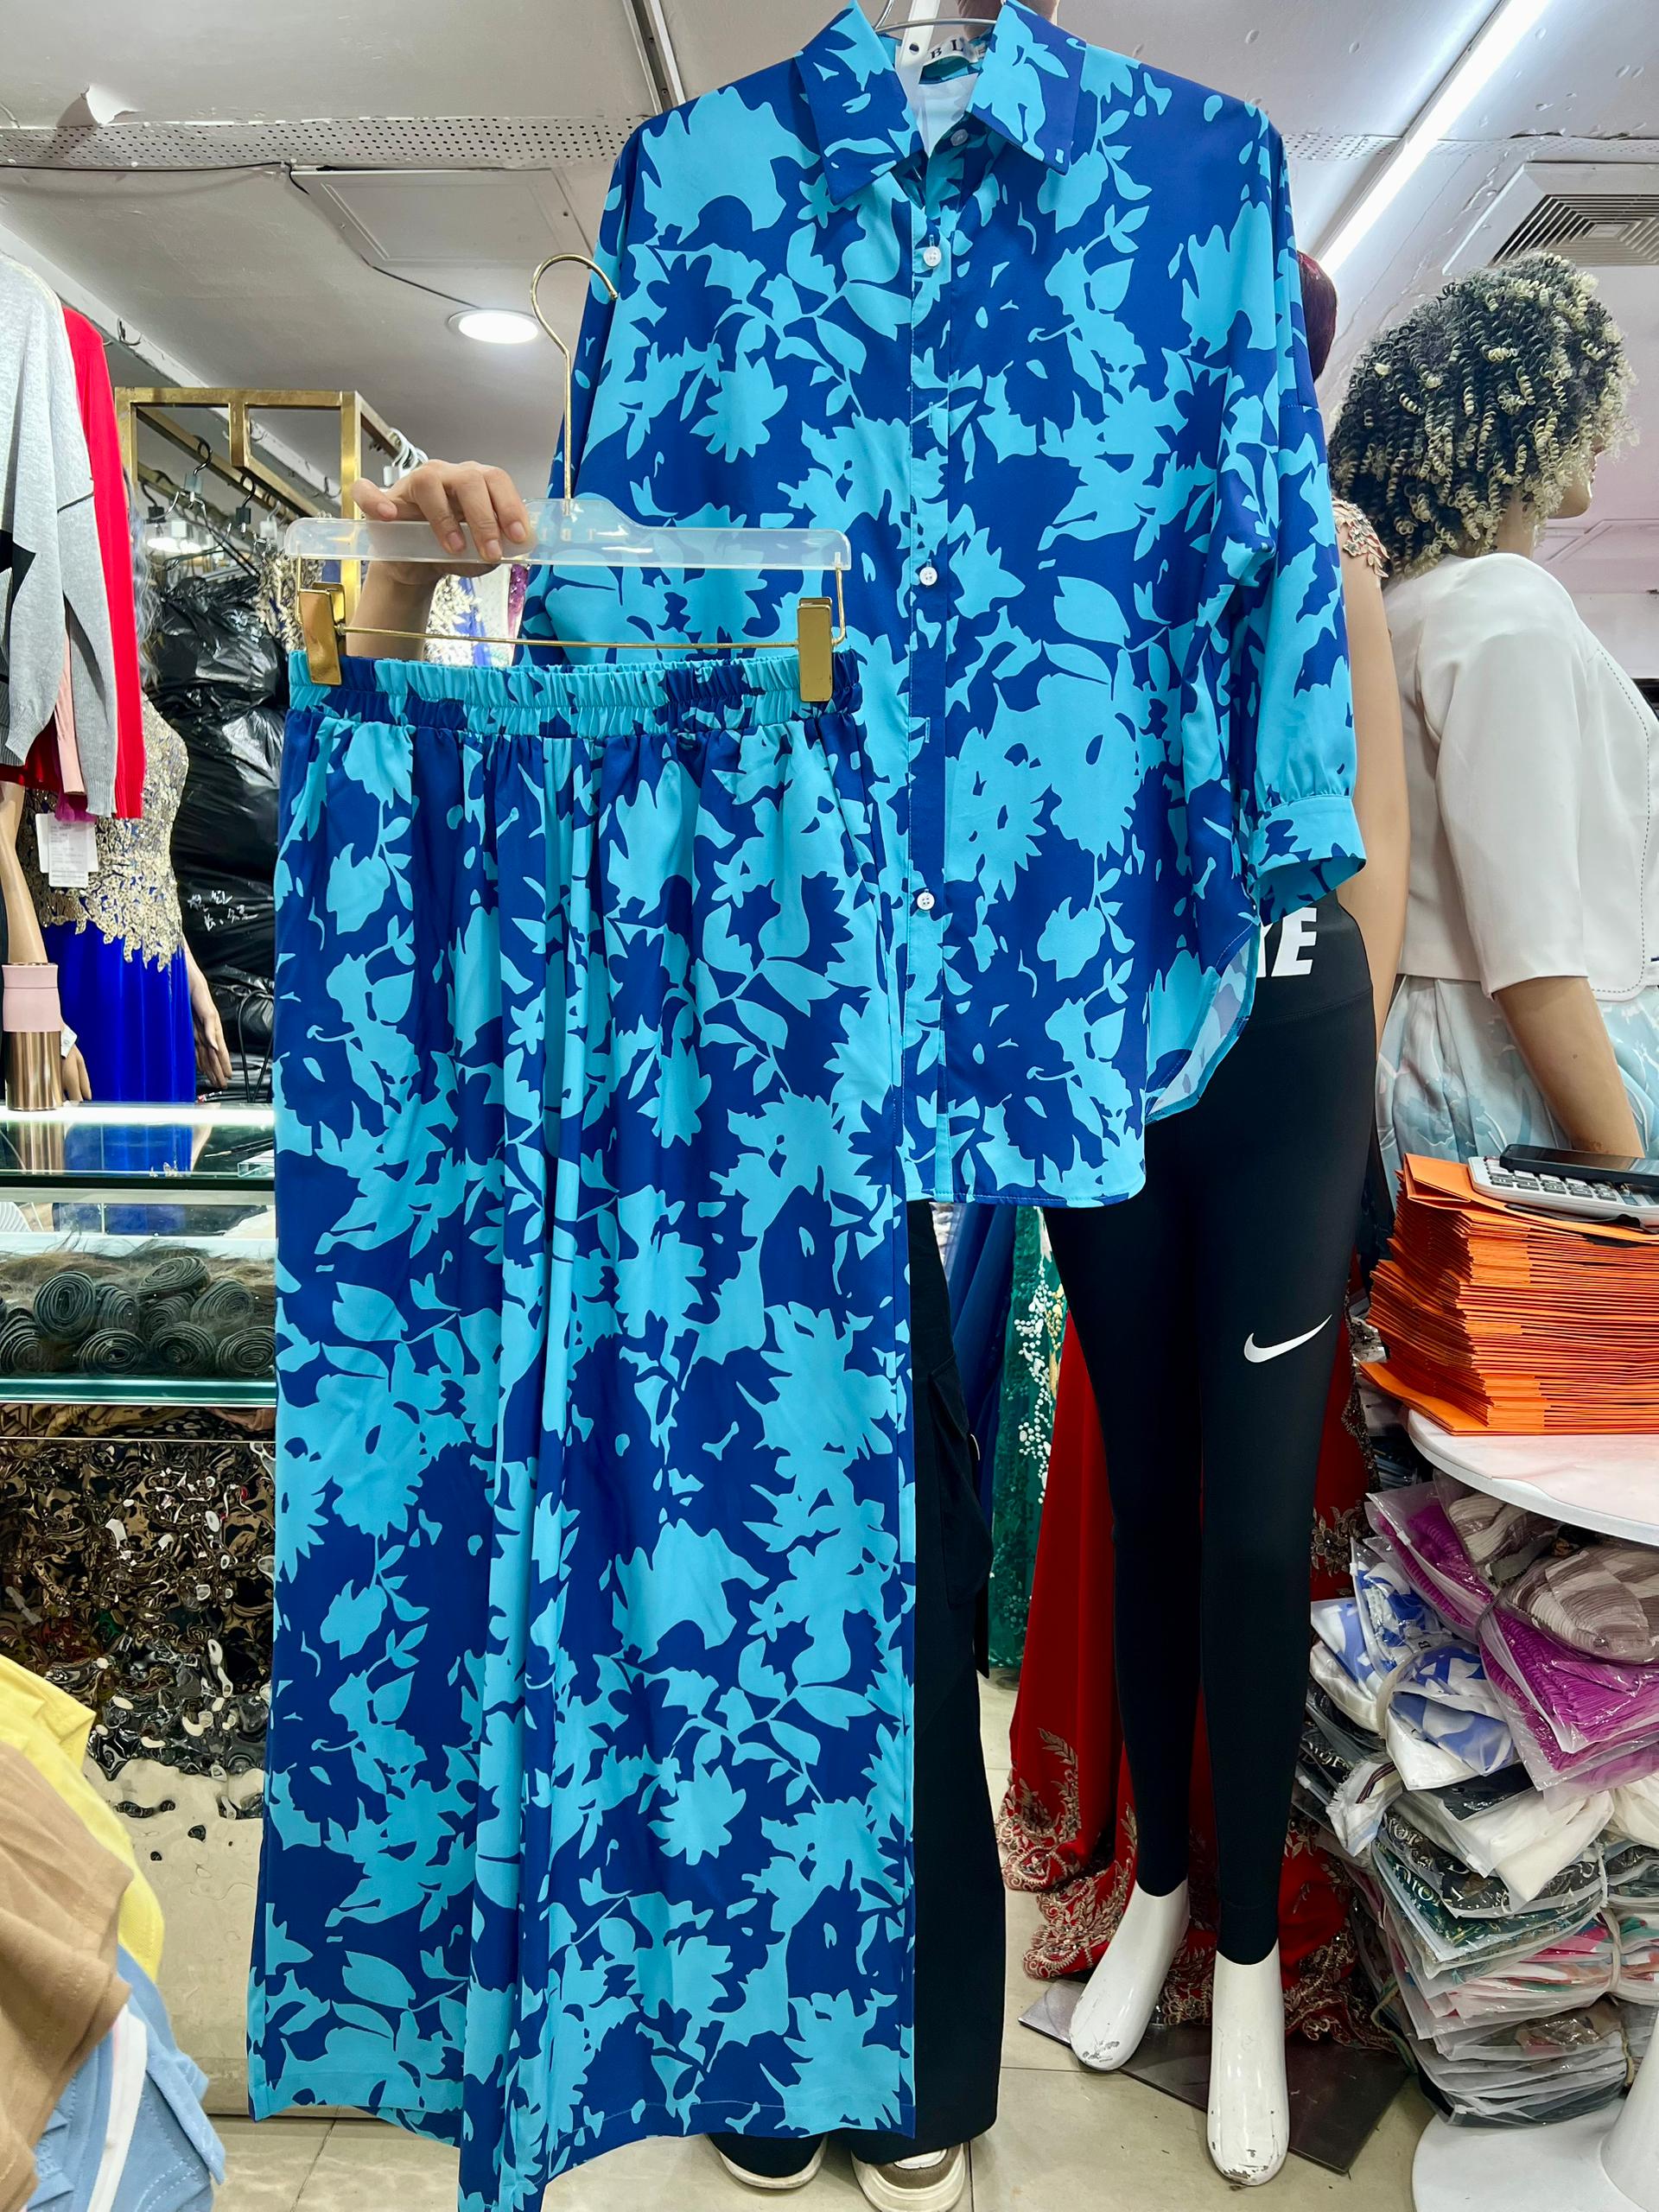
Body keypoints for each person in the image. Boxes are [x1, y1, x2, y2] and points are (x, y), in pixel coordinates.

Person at [1329, 251, 1655, 1173]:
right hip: (1510, 1074)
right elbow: (1532, 946)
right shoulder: (1504, 604)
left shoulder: (1393, 613)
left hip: (1428, 1052)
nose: (1602, 427)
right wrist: (1623, 1173)